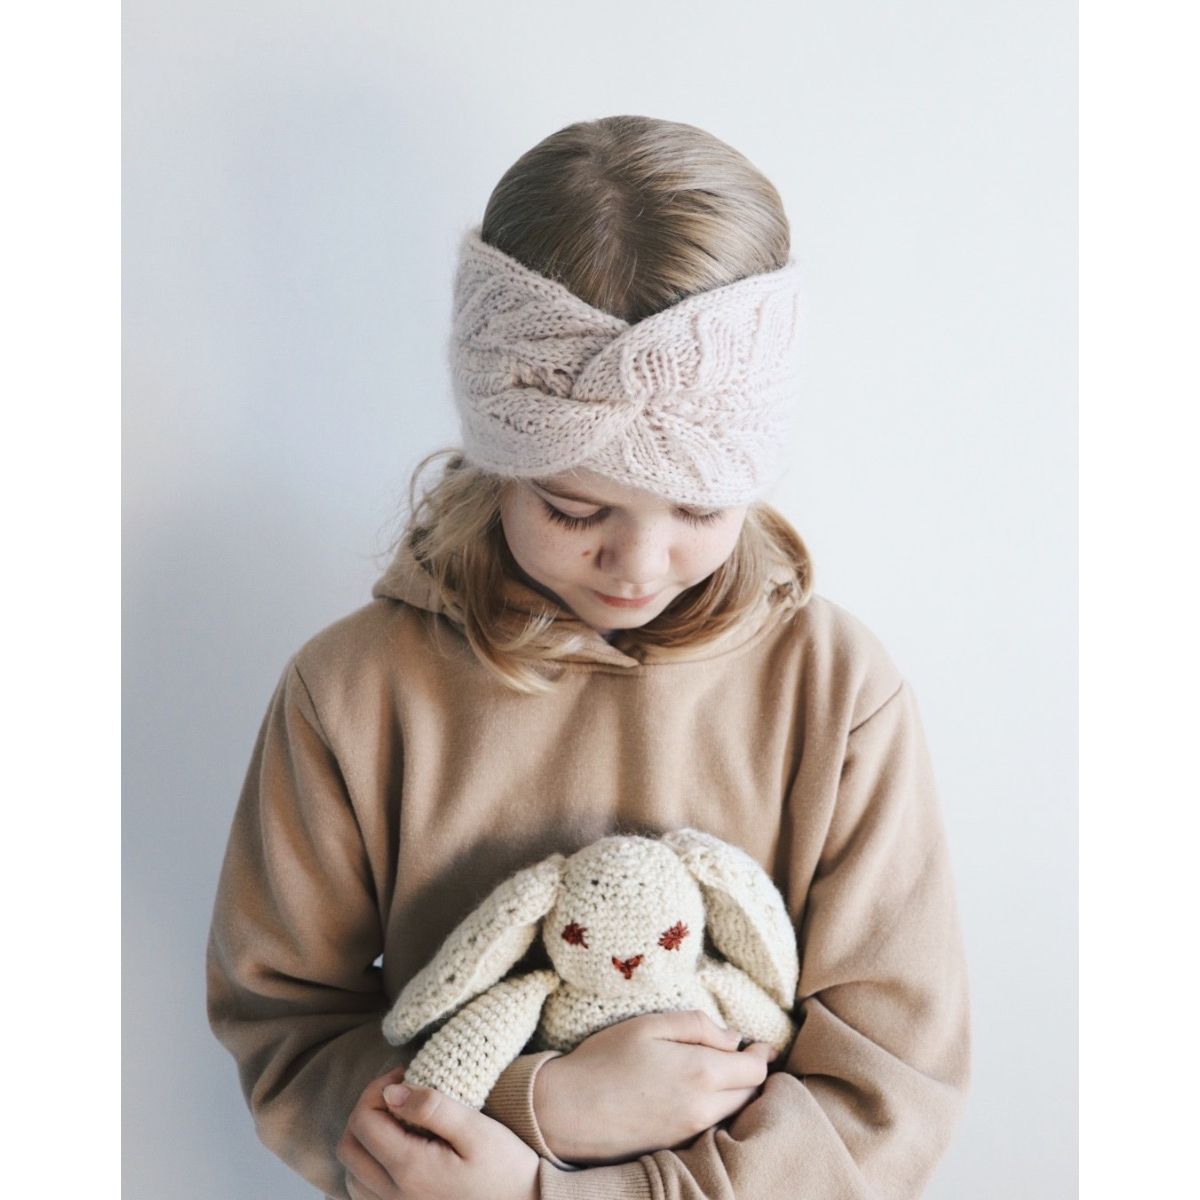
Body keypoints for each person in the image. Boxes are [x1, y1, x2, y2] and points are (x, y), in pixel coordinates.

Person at [208, 114, 970, 1200]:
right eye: (573, 508)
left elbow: (890, 1084)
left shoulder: (837, 692)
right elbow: (287, 1027)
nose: (637, 564)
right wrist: (545, 1102)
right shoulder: (350, 694)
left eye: (699, 507)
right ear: (500, 462)